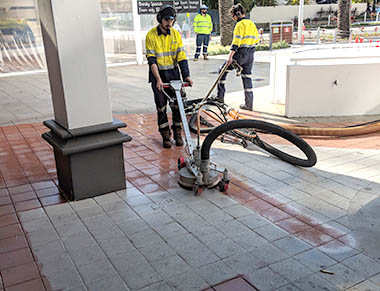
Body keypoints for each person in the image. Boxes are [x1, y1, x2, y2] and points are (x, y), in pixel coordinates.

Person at [145, 5, 193, 148]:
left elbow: (181, 58)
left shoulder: (176, 34)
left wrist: (187, 76)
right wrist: (158, 80)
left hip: (173, 74)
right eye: (166, 20)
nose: (169, 23)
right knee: (161, 107)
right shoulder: (151, 35)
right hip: (158, 75)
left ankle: (178, 134)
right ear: (160, 19)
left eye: (171, 20)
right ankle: (165, 136)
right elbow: (151, 60)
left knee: (178, 106)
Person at [216, 3, 259, 111]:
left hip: (240, 54)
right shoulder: (252, 24)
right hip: (251, 54)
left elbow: (236, 42)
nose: (233, 18)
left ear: (237, 14)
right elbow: (257, 40)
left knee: (222, 71)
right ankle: (249, 104)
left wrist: (230, 57)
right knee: (247, 78)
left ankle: (220, 98)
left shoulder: (240, 25)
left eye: (233, 16)